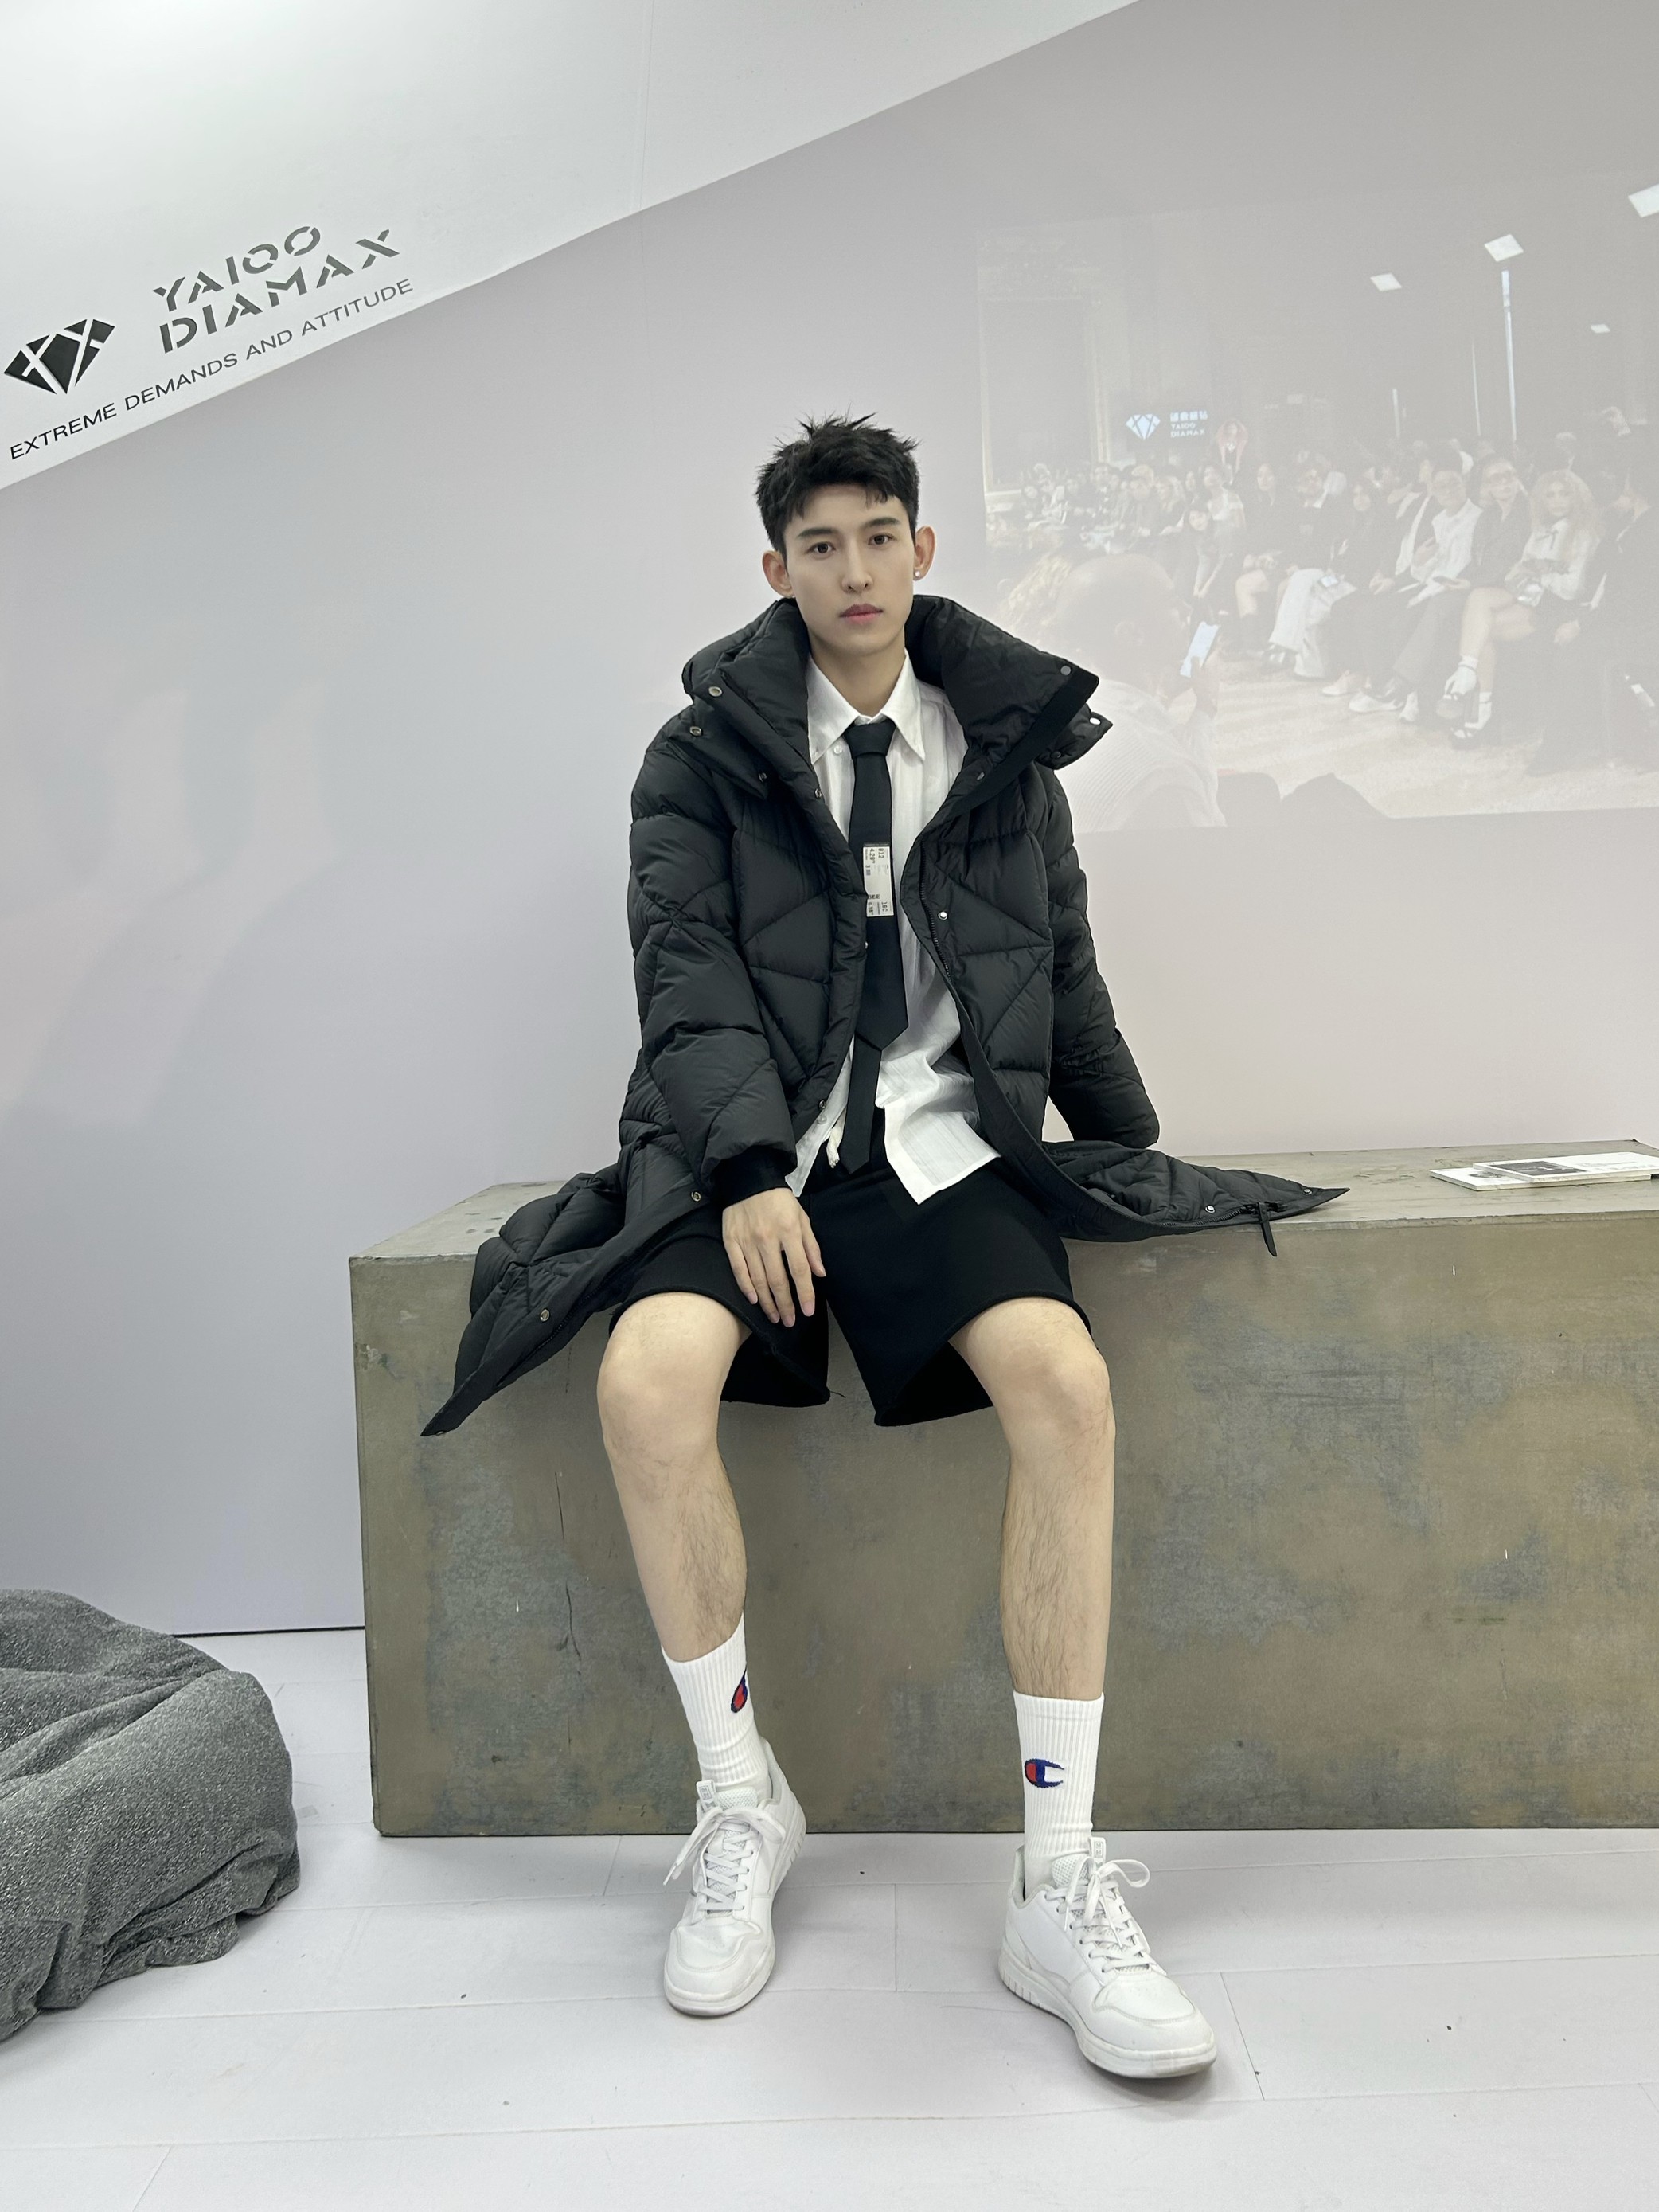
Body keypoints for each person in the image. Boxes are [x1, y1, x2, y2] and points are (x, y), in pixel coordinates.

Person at [580, 416, 1219, 2073]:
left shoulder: (999, 742)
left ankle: (1056, 1880)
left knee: (1065, 1391)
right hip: (752, 1147)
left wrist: (1120, 1137)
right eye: (820, 545)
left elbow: (1054, 953)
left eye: (879, 537)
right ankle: (741, 1801)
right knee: (645, 1386)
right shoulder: (698, 756)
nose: (853, 571)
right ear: (776, 568)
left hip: (936, 1136)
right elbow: (683, 969)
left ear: (920, 549)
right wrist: (743, 1169)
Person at [1044, 555, 1226, 830]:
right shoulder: (1165, 776)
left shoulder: (1067, 705)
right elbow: (1204, 836)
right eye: (1172, 602)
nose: (1186, 609)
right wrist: (1207, 703)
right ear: (1131, 635)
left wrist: (1189, 704)